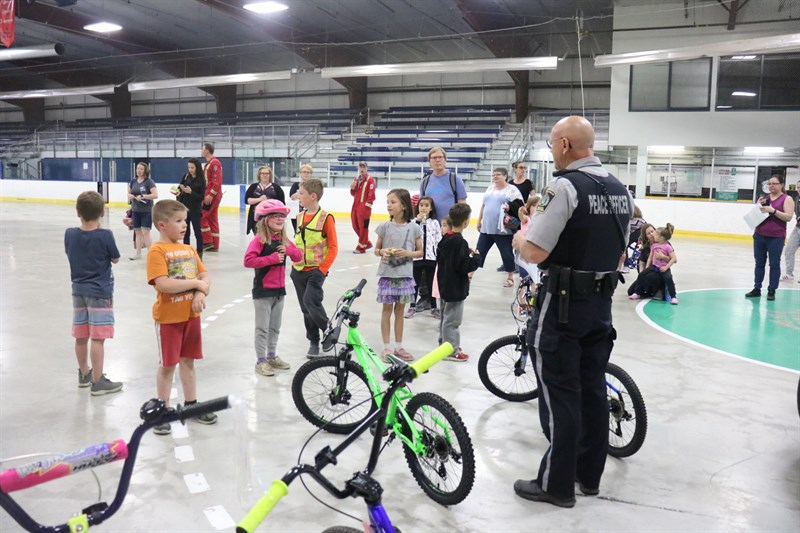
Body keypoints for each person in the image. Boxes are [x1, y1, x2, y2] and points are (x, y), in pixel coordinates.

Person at [512, 115, 633, 507]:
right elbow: (619, 253)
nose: (552, 151)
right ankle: (588, 475)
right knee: (592, 388)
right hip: (601, 303)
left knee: (560, 393)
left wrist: (519, 237)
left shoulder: (564, 186)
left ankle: (556, 484)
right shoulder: (620, 190)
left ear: (564, 145)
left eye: (551, 144)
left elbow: (536, 251)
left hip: (562, 304)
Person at [147, 199, 217, 435]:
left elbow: (205, 276)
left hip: (191, 316)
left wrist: (199, 292)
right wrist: (197, 283)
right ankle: (162, 409)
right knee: (168, 365)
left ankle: (191, 404)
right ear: (162, 225)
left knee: (189, 361)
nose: (184, 225)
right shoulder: (157, 251)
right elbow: (164, 284)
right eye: (178, 221)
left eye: (185, 221)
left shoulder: (189, 250)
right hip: (168, 319)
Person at [64, 190, 123, 396]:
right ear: (102, 213)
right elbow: (115, 258)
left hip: (78, 290)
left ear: (78, 212)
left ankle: (84, 374)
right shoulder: (105, 235)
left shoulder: (70, 234)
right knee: (98, 337)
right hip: (99, 291)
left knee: (81, 335)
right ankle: (98, 381)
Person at [244, 199, 302, 376]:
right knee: (262, 328)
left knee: (275, 327)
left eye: (282, 217)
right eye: (275, 216)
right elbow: (248, 261)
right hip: (263, 292)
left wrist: (288, 250)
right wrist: (272, 259)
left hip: (279, 291)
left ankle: (271, 356)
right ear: (265, 219)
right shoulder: (259, 240)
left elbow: (298, 256)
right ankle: (261, 361)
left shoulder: (283, 240)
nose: (280, 219)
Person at [290, 178, 339, 358]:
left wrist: (322, 269)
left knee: (311, 302)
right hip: (298, 270)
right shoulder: (299, 216)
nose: (298, 196)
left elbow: (333, 247)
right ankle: (313, 341)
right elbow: (298, 242)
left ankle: (329, 331)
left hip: (316, 270)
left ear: (312, 196)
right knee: (305, 308)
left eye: (301, 193)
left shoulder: (326, 218)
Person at [374, 189, 423, 362]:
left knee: (400, 311)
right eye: (388, 202)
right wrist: (383, 252)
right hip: (387, 275)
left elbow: (420, 252)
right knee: (387, 310)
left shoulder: (415, 228)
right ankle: (387, 347)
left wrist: (407, 254)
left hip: (405, 275)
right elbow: (376, 250)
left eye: (393, 202)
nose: (389, 205)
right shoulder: (384, 227)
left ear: (403, 205)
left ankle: (399, 346)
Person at [436, 203, 481, 363]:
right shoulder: (459, 242)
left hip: (444, 285)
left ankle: (445, 344)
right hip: (455, 288)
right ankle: (451, 350)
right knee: (453, 320)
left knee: (444, 317)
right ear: (465, 222)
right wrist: (475, 257)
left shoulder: (446, 239)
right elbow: (464, 266)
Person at [746, 175, 795, 301]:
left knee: (774, 264)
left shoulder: (787, 199)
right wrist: (759, 206)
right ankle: (757, 288)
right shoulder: (765, 198)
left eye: (774, 183)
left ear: (781, 185)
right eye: (769, 184)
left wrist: (773, 210)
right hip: (760, 235)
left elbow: (788, 217)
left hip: (776, 237)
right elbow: (759, 214)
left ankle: (771, 290)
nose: (771, 186)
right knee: (759, 263)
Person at [477, 167, 523, 288]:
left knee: (506, 254)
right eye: (494, 174)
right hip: (487, 227)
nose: (495, 176)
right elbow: (483, 205)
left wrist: (510, 208)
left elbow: (520, 207)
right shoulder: (490, 188)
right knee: (479, 252)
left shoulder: (512, 190)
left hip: (503, 229)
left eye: (498, 174)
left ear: (505, 176)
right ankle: (469, 274)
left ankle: (510, 277)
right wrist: (478, 220)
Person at [407, 196, 441, 319]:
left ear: (431, 208)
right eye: (421, 205)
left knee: (431, 283)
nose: (423, 208)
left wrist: (438, 254)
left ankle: (433, 307)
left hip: (431, 258)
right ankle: (412, 306)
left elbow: (438, 239)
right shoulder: (413, 222)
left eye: (427, 205)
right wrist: (417, 221)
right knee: (414, 283)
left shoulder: (435, 223)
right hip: (417, 257)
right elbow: (411, 234)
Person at [629, 223, 679, 304]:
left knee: (668, 278)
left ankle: (672, 295)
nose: (652, 234)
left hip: (663, 268)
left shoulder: (667, 246)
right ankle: (637, 293)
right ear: (646, 236)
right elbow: (647, 259)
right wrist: (646, 269)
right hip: (654, 267)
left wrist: (663, 259)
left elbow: (674, 259)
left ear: (660, 236)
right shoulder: (652, 245)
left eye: (653, 232)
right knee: (641, 277)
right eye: (648, 233)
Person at [419, 147, 468, 222]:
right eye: (434, 157)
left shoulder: (455, 179)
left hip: (450, 227)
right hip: (430, 228)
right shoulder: (425, 181)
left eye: (440, 157)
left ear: (445, 160)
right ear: (429, 161)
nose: (437, 160)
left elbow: (462, 205)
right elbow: (421, 204)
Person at [173, 158, 206, 259]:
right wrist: (178, 192)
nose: (190, 169)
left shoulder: (201, 180)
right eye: (189, 167)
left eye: (192, 167)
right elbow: (179, 188)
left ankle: (199, 252)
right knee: (185, 231)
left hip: (195, 209)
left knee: (197, 232)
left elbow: (201, 197)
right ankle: (186, 250)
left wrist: (191, 192)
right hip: (185, 208)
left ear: (197, 168)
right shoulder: (186, 176)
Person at [127, 162, 158, 260]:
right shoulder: (133, 181)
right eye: (137, 169)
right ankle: (138, 253)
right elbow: (128, 192)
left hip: (146, 211)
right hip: (135, 210)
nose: (138, 171)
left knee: (146, 232)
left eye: (141, 169)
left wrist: (143, 196)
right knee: (137, 232)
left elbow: (155, 195)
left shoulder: (149, 182)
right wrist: (130, 196)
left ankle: (151, 253)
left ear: (145, 171)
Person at [245, 165, 285, 235]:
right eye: (263, 173)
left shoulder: (276, 188)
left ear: (270, 175)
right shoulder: (253, 187)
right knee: (258, 237)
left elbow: (282, 203)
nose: (265, 175)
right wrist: (259, 199)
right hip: (256, 217)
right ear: (259, 175)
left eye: (267, 173)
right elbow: (247, 200)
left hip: (272, 218)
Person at [200, 142, 223, 252]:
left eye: (202, 149)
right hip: (210, 194)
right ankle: (214, 245)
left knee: (202, 216)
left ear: (207, 150)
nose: (201, 151)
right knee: (212, 219)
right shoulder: (210, 163)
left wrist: (211, 194)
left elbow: (216, 181)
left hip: (211, 196)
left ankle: (207, 241)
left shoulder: (214, 163)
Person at [350, 161, 376, 254]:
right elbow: (353, 194)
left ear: (366, 168)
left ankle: (361, 247)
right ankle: (366, 242)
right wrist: (352, 188)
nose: (361, 169)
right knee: (355, 225)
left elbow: (372, 195)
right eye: (360, 167)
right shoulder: (357, 179)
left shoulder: (370, 180)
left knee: (363, 227)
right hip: (355, 206)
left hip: (364, 208)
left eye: (363, 167)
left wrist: (367, 206)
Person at [780, 178, 800, 282]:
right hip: (797, 228)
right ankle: (789, 274)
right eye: (798, 187)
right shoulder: (796, 198)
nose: (799, 189)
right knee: (789, 250)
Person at [288, 164, 313, 234]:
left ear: (311, 174)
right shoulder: (295, 185)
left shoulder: (314, 185)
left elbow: (313, 197)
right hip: (296, 213)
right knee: (297, 233)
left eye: (308, 172)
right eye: (304, 172)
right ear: (300, 173)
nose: (306, 174)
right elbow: (292, 197)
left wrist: (299, 195)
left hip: (310, 213)